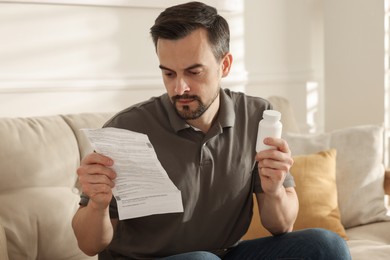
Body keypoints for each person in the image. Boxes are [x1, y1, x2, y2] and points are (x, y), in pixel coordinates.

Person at [72, 2, 351, 259]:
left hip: (222, 255)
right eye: (169, 73)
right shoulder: (127, 129)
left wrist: (275, 189)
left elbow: (281, 225)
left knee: (327, 247)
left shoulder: (256, 117)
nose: (179, 88)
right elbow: (89, 245)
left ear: (224, 65)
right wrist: (97, 205)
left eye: (194, 72)